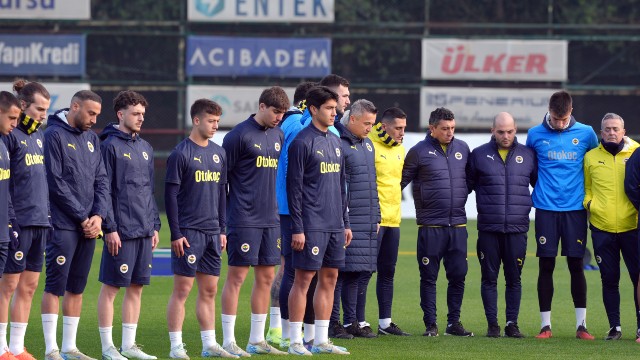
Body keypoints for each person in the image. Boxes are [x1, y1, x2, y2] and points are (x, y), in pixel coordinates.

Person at [41, 90, 110, 360]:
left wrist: (98, 217)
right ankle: (51, 349)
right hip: (63, 224)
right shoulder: (53, 136)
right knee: (55, 286)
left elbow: (102, 181)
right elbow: (55, 182)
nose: (94, 119)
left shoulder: (93, 140)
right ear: (75, 106)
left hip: (89, 226)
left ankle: (70, 347)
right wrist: (83, 217)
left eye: (97, 115)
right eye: (90, 113)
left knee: (77, 287)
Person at [220, 87, 289, 357]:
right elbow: (222, 182)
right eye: (275, 112)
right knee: (237, 278)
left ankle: (256, 340)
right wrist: (224, 221)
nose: (278, 118)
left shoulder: (279, 134)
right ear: (262, 106)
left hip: (270, 219)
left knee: (266, 277)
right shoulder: (237, 136)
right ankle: (228, 341)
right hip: (243, 218)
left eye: (282, 114)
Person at [164, 99, 235, 359]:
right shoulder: (181, 153)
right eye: (210, 120)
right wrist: (176, 233)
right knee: (182, 290)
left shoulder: (219, 152)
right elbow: (170, 196)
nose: (215, 125)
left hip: (213, 233)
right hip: (189, 232)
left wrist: (222, 229)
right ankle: (175, 347)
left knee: (210, 290)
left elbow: (221, 193)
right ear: (196, 120)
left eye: (217, 121)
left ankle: (209, 345)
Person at [526, 91, 598, 340]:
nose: (559, 123)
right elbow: (531, 169)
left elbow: (594, 164)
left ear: (571, 111)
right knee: (546, 264)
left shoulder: (587, 133)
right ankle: (545, 326)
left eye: (564, 119)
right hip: (546, 209)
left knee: (576, 264)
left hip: (575, 211)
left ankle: (582, 326)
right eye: (556, 119)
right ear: (549, 110)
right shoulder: (535, 134)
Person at [286, 86, 352, 355]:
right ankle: (294, 341)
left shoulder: (336, 141)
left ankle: (321, 340)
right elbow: (295, 188)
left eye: (335, 109)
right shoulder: (302, 142)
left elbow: (340, 186)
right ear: (313, 109)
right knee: (303, 281)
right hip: (311, 225)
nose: (334, 113)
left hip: (335, 224)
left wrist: (345, 222)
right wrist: (298, 228)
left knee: (330, 279)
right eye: (328, 108)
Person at [96, 91, 161, 360]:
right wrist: (110, 228)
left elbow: (149, 189)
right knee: (111, 288)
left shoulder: (145, 147)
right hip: (120, 231)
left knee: (137, 287)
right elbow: (103, 190)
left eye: (143, 115)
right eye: (136, 114)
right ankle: (108, 347)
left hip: (144, 229)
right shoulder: (108, 146)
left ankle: (129, 345)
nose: (140, 119)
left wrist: (155, 225)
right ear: (120, 114)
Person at [401, 107, 473, 337]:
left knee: (458, 276)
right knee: (429, 278)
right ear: (432, 129)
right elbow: (400, 184)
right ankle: (431, 325)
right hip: (431, 227)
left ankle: (454, 323)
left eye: (452, 128)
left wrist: (458, 196)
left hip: (458, 226)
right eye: (444, 129)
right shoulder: (418, 152)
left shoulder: (463, 148)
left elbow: (467, 181)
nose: (450, 132)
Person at [468, 112, 537, 338]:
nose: (505, 136)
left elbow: (539, 185)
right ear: (492, 131)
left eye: (509, 131)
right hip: (488, 229)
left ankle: (512, 324)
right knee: (489, 279)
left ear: (515, 129)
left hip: (517, 229)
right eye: (500, 132)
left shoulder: (528, 155)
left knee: (514, 279)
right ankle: (492, 325)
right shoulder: (478, 155)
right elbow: (466, 186)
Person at [0, 80, 50, 360]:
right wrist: (11, 220)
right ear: (22, 106)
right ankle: (1, 346)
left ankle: (17, 347)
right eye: (38, 109)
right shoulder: (9, 135)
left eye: (46, 110)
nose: (43, 115)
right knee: (7, 285)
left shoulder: (39, 136)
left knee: (29, 286)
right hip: (17, 221)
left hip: (40, 220)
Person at [273, 81, 318, 349]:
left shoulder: (290, 125)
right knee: (291, 269)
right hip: (292, 209)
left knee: (290, 269)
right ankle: (286, 331)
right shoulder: (296, 126)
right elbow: (292, 173)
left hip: (290, 207)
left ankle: (286, 329)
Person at [587, 113, 639, 340]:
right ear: (601, 132)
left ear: (623, 131)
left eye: (616, 129)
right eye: (607, 129)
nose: (611, 132)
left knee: (637, 279)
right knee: (609, 279)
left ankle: (639, 326)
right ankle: (614, 327)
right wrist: (591, 204)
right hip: (602, 227)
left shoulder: (636, 152)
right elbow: (586, 188)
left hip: (632, 227)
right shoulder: (590, 157)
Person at [334, 100, 380, 338]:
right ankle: (333, 323)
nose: (370, 128)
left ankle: (352, 321)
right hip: (348, 220)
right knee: (338, 274)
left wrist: (378, 215)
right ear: (352, 119)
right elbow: (339, 187)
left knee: (355, 273)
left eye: (372, 124)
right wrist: (344, 219)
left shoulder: (368, 145)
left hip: (367, 219)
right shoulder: (338, 144)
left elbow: (372, 185)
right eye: (366, 123)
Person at [367, 107, 410, 336]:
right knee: (363, 272)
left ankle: (385, 323)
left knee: (387, 272)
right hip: (373, 220)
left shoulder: (400, 149)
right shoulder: (368, 145)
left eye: (404, 128)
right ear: (384, 126)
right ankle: (357, 321)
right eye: (398, 128)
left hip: (393, 220)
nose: (402, 133)